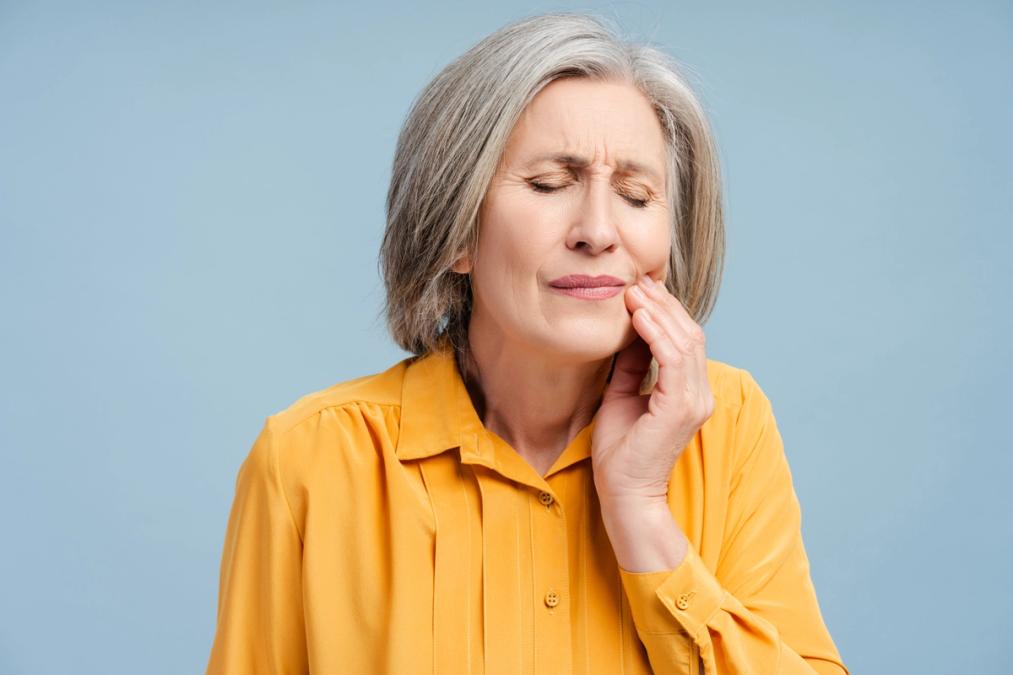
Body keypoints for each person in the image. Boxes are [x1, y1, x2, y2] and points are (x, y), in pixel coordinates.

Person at [205, 11, 848, 674]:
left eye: (635, 194)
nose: (597, 231)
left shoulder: (728, 424)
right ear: (454, 230)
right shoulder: (308, 459)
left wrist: (640, 510)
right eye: (548, 184)